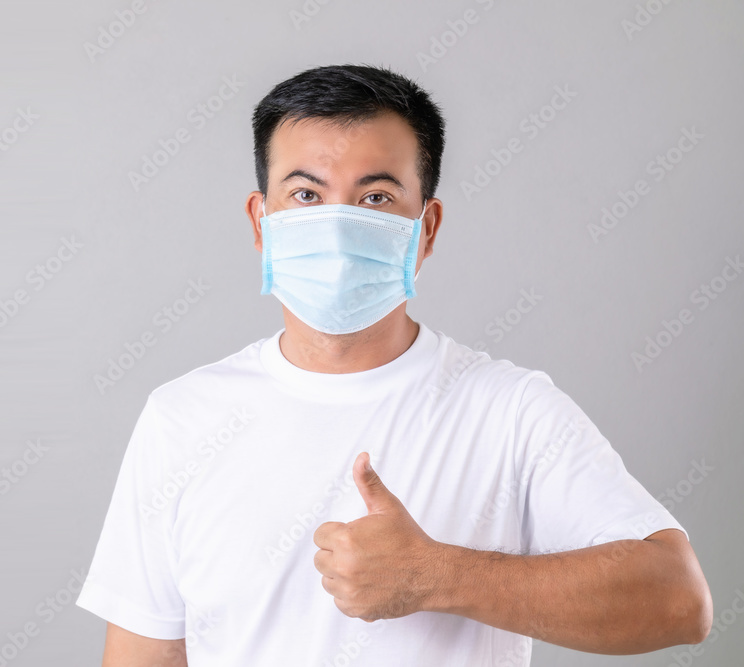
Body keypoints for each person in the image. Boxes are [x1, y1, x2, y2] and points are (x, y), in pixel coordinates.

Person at [76, 64, 712, 666]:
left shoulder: (510, 410)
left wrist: (438, 574)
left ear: (426, 228)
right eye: (306, 194)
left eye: (376, 197)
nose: (336, 225)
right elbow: (147, 653)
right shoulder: (183, 418)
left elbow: (679, 600)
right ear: (260, 221)